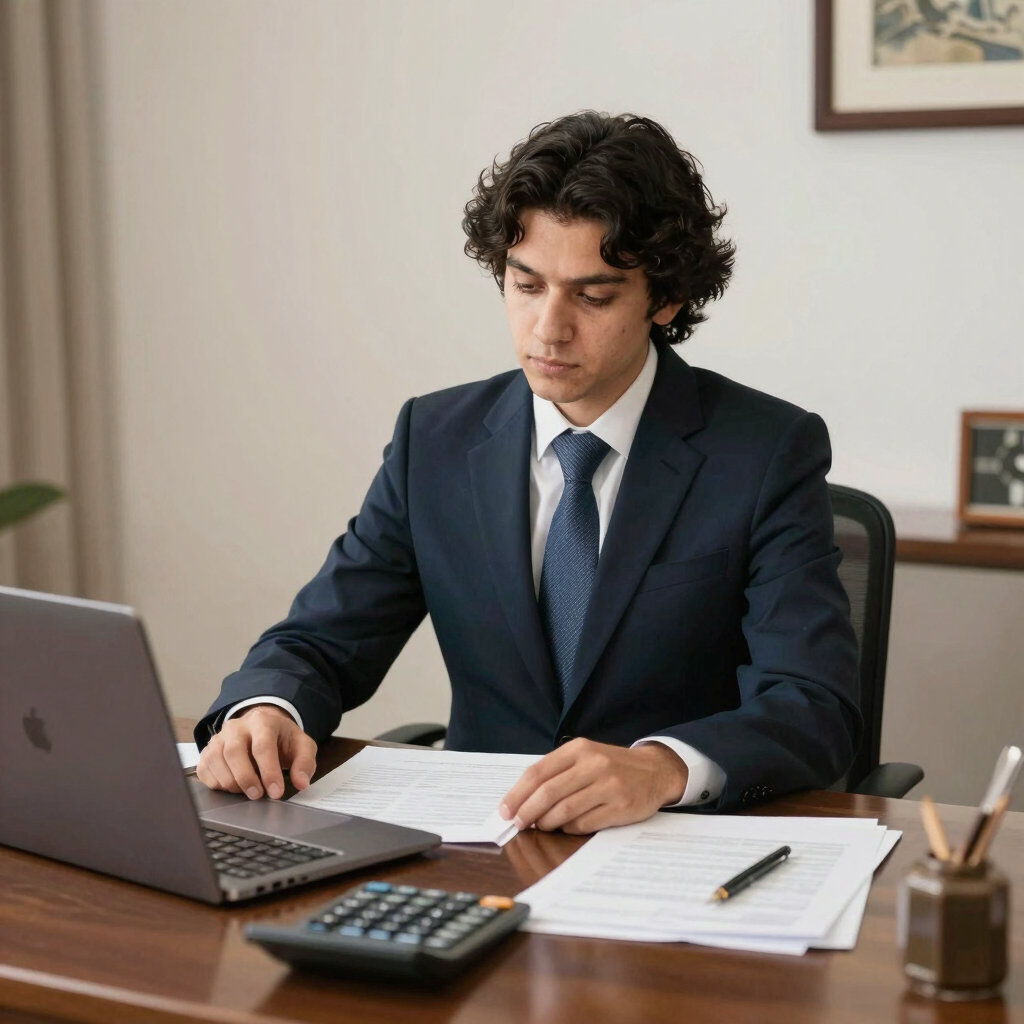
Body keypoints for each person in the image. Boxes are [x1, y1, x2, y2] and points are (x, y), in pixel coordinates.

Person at [195, 111, 861, 831]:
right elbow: (320, 640)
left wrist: (667, 766)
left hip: (673, 846)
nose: (548, 328)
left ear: (665, 300)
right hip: (481, 845)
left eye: (594, 296)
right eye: (527, 284)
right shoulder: (436, 440)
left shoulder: (764, 452)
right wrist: (267, 707)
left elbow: (813, 703)